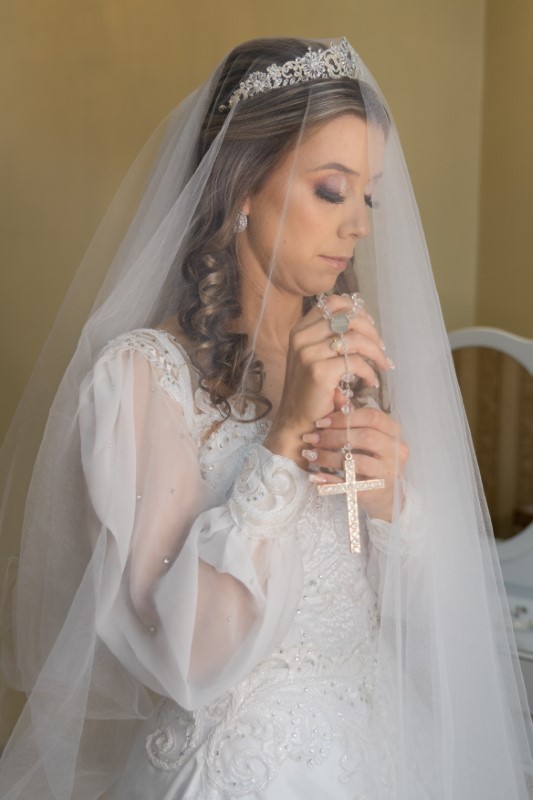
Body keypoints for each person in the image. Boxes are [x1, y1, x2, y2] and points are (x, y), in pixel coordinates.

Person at [0, 36, 532, 800]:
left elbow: (400, 610)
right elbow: (183, 657)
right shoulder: (141, 379)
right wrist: (281, 441)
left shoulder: (349, 353)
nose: (359, 225)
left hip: (385, 752)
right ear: (241, 186)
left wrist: (388, 507)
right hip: (245, 770)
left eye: (368, 196)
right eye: (330, 189)